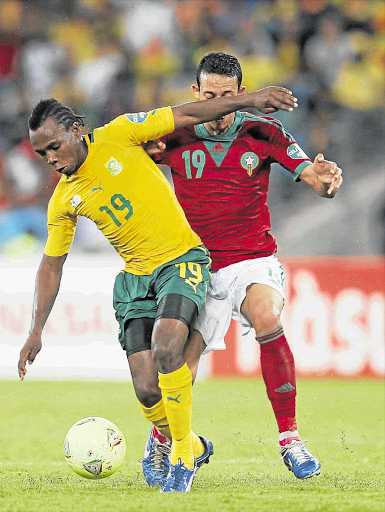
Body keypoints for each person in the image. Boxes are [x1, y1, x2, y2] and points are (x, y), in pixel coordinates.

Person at [17, 86, 299, 492]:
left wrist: (247, 99)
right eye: (42, 154)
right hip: (135, 278)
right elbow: (51, 265)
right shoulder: (64, 199)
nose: (51, 159)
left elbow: (187, 113)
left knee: (169, 348)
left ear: (76, 130)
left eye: (54, 147)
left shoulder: (121, 132)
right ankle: (193, 443)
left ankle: (181, 457)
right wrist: (35, 330)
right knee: (147, 388)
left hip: (181, 260)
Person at [142, 51, 343, 484]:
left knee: (267, 316)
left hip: (252, 258)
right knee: (179, 368)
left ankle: (290, 439)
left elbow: (313, 177)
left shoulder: (263, 130)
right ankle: (163, 439)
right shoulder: (172, 132)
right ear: (196, 94)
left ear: (242, 92)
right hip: (195, 267)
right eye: (210, 95)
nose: (219, 105)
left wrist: (325, 181)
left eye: (229, 96)